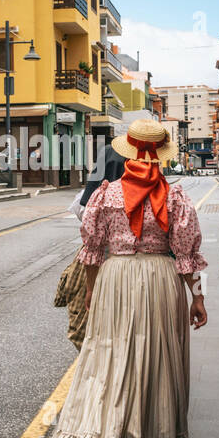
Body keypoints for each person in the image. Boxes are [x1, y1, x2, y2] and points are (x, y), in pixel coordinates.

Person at [49, 118, 208, 438]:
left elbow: (90, 251)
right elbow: (186, 255)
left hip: (115, 279)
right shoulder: (176, 197)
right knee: (157, 361)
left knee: (114, 358)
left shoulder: (105, 195)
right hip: (161, 282)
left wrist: (91, 292)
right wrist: (197, 297)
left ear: (129, 152)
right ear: (160, 157)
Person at [55, 142, 127, 350]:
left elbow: (82, 211)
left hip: (99, 260)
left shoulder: (99, 192)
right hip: (140, 265)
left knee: (85, 324)